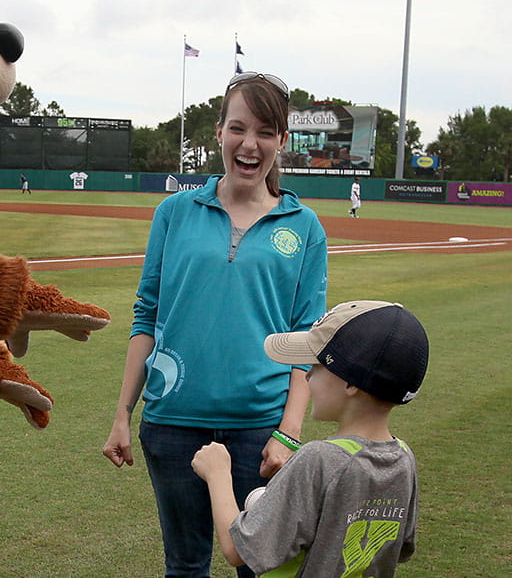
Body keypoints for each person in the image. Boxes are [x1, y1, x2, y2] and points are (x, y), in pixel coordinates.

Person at [103, 72, 328, 578]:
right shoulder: (174, 213)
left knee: (259, 566)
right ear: (219, 133)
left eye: (266, 132)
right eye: (239, 128)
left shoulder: (304, 228)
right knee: (185, 566)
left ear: (281, 142)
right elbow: (147, 317)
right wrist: (123, 412)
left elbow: (307, 341)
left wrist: (289, 432)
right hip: (174, 423)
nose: (250, 145)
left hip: (260, 431)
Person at [191, 300, 428, 577]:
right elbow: (399, 548)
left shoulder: (318, 459)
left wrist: (218, 473)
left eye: (317, 365)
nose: (308, 375)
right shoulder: (403, 457)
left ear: (351, 383)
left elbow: (236, 550)